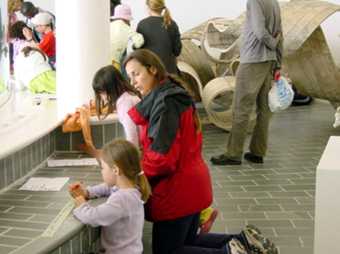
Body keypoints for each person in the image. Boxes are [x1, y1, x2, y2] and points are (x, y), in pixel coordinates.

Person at [122, 49, 275, 254]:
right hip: (191, 186)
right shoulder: (173, 94)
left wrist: (136, 175)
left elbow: (162, 159)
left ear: (153, 70)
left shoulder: (165, 103)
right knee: (188, 243)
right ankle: (243, 241)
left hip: (176, 192)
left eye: (136, 74)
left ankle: (230, 252)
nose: (133, 82)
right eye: (129, 76)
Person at [211, 0, 283, 165]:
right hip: (269, 61)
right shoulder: (274, 3)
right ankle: (257, 152)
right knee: (264, 109)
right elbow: (281, 35)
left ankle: (233, 154)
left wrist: (272, 43)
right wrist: (278, 62)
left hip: (252, 61)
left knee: (241, 108)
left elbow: (259, 32)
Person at [69, 139, 151, 254]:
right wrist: (87, 192)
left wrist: (81, 204)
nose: (101, 171)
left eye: (102, 168)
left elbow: (93, 217)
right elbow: (109, 188)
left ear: (116, 170)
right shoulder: (131, 187)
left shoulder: (122, 199)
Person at [78, 65, 141, 159]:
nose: (102, 97)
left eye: (102, 92)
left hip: (143, 150)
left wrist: (131, 161)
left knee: (109, 157)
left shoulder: (125, 103)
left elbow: (132, 136)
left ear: (113, 88)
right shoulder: (128, 96)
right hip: (145, 146)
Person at [136, 0, 181, 75]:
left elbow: (139, 51)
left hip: (151, 72)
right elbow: (177, 51)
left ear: (148, 8)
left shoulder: (142, 25)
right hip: (170, 72)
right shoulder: (171, 23)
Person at [110, 4, 144, 71]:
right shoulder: (127, 28)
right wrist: (134, 46)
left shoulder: (109, 25)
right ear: (127, 19)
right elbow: (139, 42)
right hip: (114, 62)